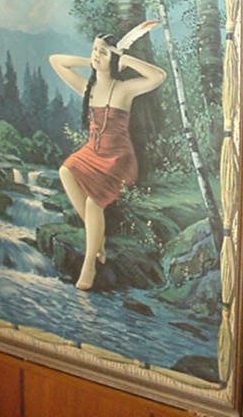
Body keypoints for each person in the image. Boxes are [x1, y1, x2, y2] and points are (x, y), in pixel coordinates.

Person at [49, 33, 166, 291]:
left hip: (119, 158)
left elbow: (159, 77)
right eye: (95, 49)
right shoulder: (88, 88)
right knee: (65, 170)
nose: (97, 54)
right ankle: (97, 237)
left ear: (113, 57)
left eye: (103, 51)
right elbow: (55, 61)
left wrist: (124, 59)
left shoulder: (123, 88)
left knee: (93, 202)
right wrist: (91, 61)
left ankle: (89, 263)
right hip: (92, 153)